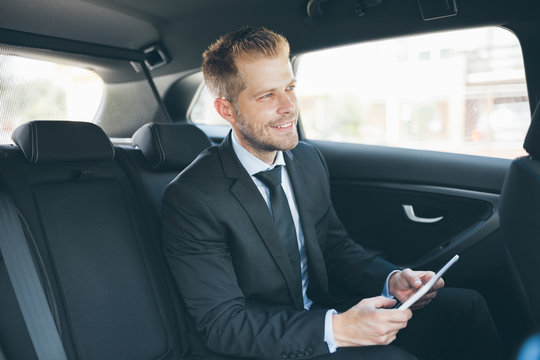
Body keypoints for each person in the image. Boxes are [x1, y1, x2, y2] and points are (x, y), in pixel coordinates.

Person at [162, 26, 504, 360]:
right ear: (227, 111)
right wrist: (339, 329)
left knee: (466, 307)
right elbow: (223, 325)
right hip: (263, 342)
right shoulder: (193, 198)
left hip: (326, 313)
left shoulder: (306, 159)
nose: (288, 107)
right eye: (267, 95)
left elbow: (334, 247)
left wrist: (390, 280)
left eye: (290, 88)